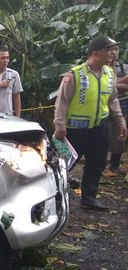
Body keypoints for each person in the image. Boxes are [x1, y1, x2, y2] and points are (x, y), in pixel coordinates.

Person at [53, 35, 128, 211]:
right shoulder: (75, 74)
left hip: (100, 128)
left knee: (97, 163)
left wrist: (120, 121)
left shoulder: (109, 74)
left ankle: (88, 198)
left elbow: (113, 100)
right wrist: (60, 126)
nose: (113, 53)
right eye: (109, 49)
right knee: (63, 163)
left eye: (114, 49)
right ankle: (54, 198)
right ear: (96, 52)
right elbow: (62, 102)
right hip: (73, 131)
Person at [103, 46, 128, 177]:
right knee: (102, 134)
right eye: (111, 49)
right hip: (102, 106)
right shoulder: (98, 68)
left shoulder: (124, 67)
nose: (114, 52)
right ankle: (100, 164)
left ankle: (114, 165)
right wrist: (122, 83)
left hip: (122, 104)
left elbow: (107, 86)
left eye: (117, 49)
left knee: (119, 136)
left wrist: (111, 85)